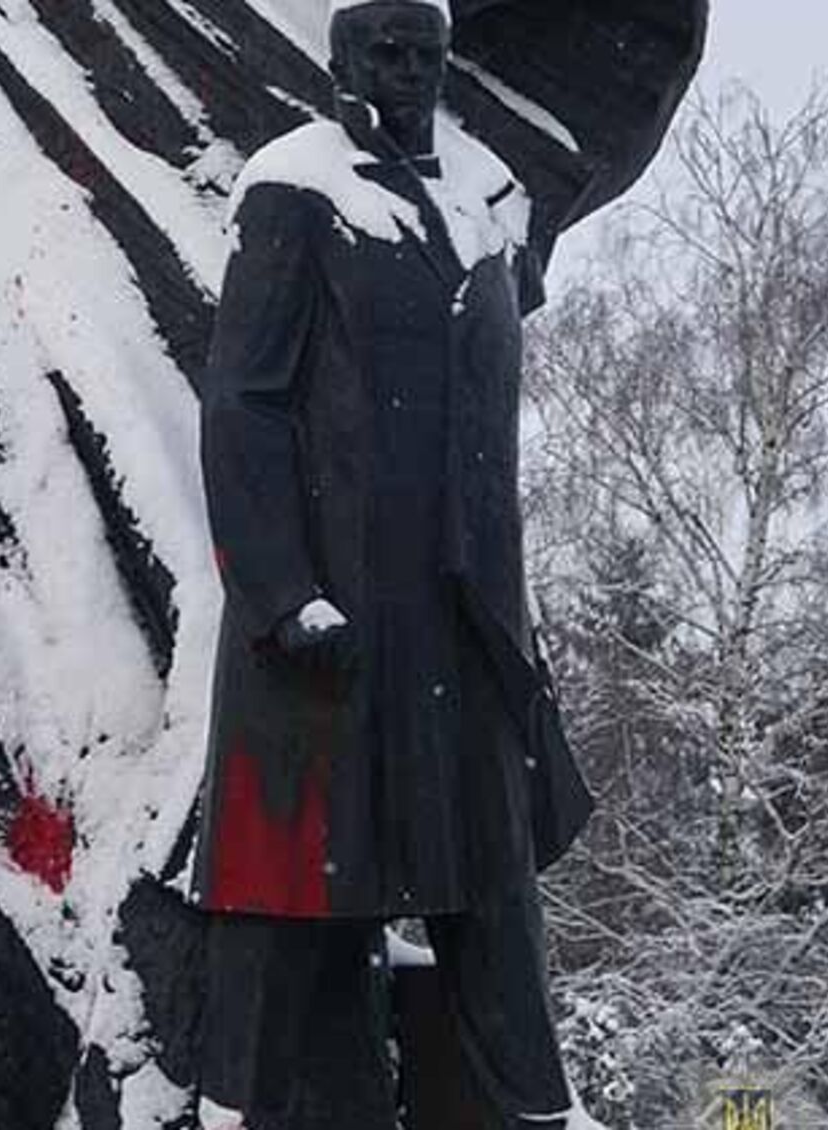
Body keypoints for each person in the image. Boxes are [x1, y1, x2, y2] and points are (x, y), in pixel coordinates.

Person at [187, 0, 598, 1126]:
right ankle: (247, 1113)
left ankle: (539, 1114)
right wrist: (282, 594)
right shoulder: (292, 189)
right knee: (300, 897)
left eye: (426, 50)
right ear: (342, 57)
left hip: (463, 613)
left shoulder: (489, 200)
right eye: (386, 50)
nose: (409, 70)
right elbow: (245, 402)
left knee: (495, 891)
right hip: (331, 610)